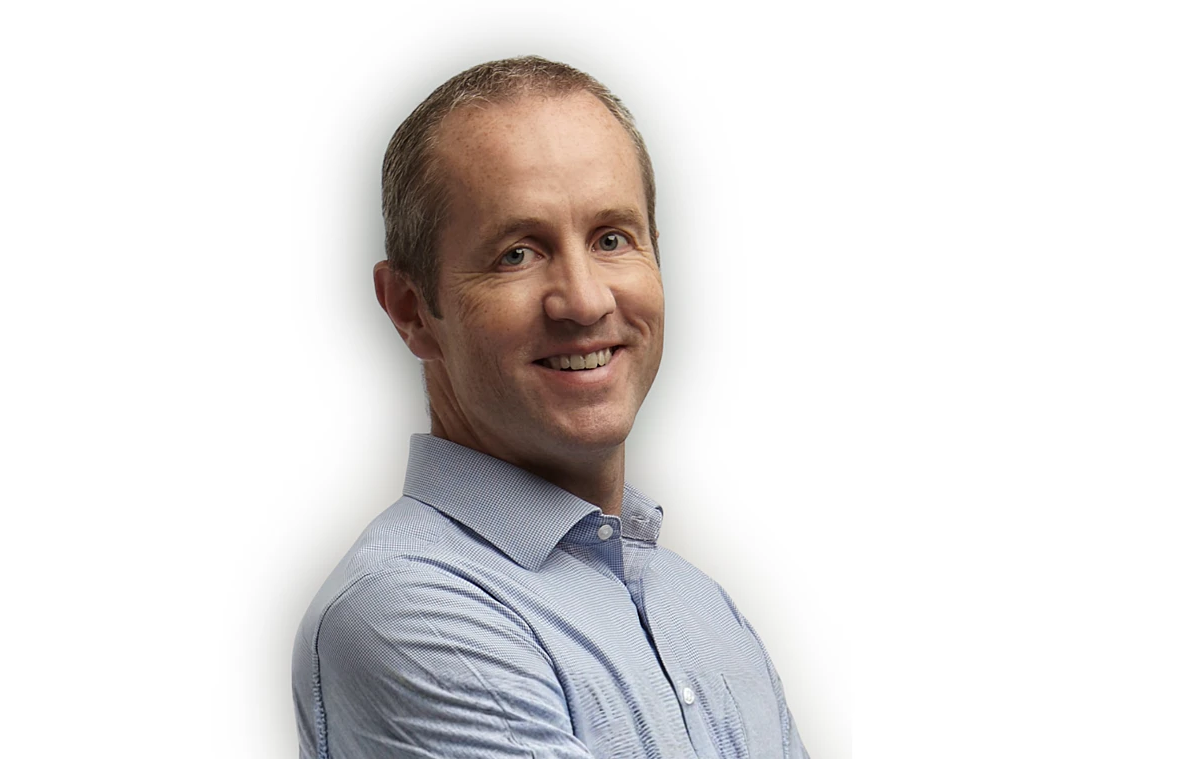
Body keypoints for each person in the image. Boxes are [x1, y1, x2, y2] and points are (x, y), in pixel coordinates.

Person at [292, 55, 810, 759]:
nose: (586, 300)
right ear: (412, 310)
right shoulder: (407, 612)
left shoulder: (704, 612)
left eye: (612, 239)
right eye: (518, 253)